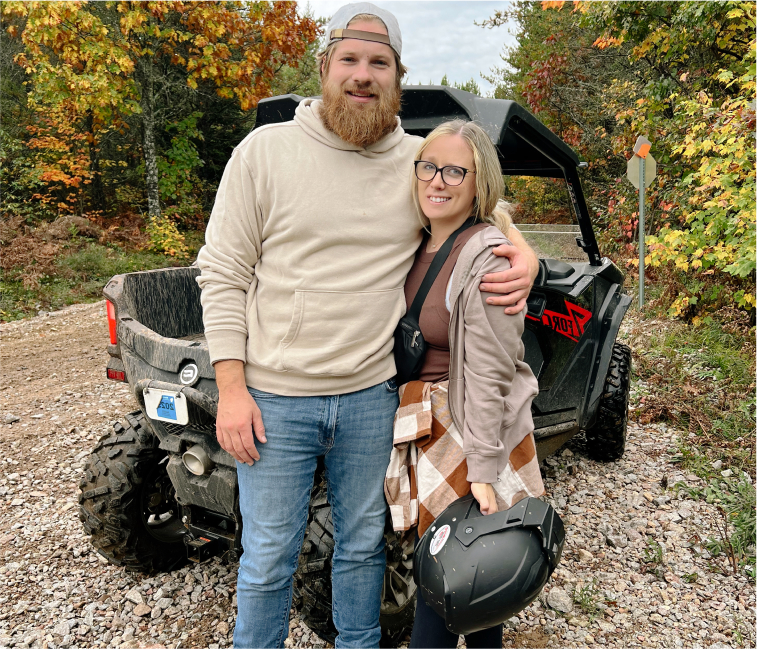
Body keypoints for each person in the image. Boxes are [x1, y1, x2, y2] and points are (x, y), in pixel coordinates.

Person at [196, 4, 539, 647]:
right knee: (268, 557)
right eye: (349, 60)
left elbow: (480, 200)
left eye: (379, 63)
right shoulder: (264, 153)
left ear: (397, 77)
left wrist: (524, 251)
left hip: (370, 397)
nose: (363, 75)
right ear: (324, 67)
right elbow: (222, 273)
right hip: (274, 398)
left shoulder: (416, 163)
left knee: (361, 545)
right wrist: (232, 389)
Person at [384, 119, 546, 649]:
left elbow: (491, 370)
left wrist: (482, 470)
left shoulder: (485, 255)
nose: (438, 180)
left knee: (458, 578)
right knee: (460, 577)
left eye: (457, 170)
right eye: (429, 166)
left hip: (471, 429)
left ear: (481, 182)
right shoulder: (418, 237)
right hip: (428, 427)